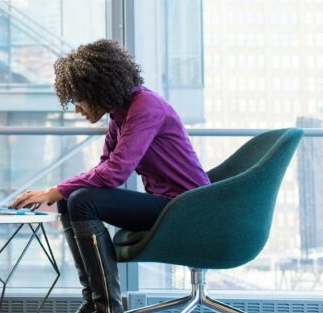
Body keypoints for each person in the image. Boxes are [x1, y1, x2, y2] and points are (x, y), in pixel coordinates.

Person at [11, 39, 210, 313]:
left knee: (79, 199)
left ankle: (107, 308)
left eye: (79, 99)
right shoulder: (121, 115)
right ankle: (93, 302)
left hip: (189, 209)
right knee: (72, 199)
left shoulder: (145, 107)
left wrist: (55, 189)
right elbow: (104, 166)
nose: (77, 108)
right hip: (170, 205)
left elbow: (115, 172)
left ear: (98, 89)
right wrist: (59, 192)